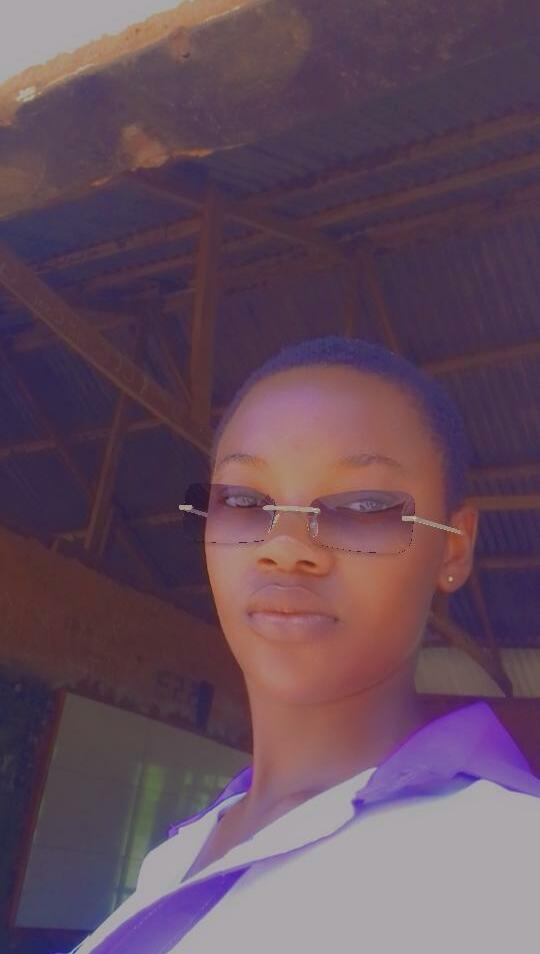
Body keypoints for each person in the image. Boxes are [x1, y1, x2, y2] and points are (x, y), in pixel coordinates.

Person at [66, 335, 540, 954]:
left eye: (363, 505)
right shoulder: (180, 853)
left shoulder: (503, 865)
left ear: (452, 548)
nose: (284, 545)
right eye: (243, 500)